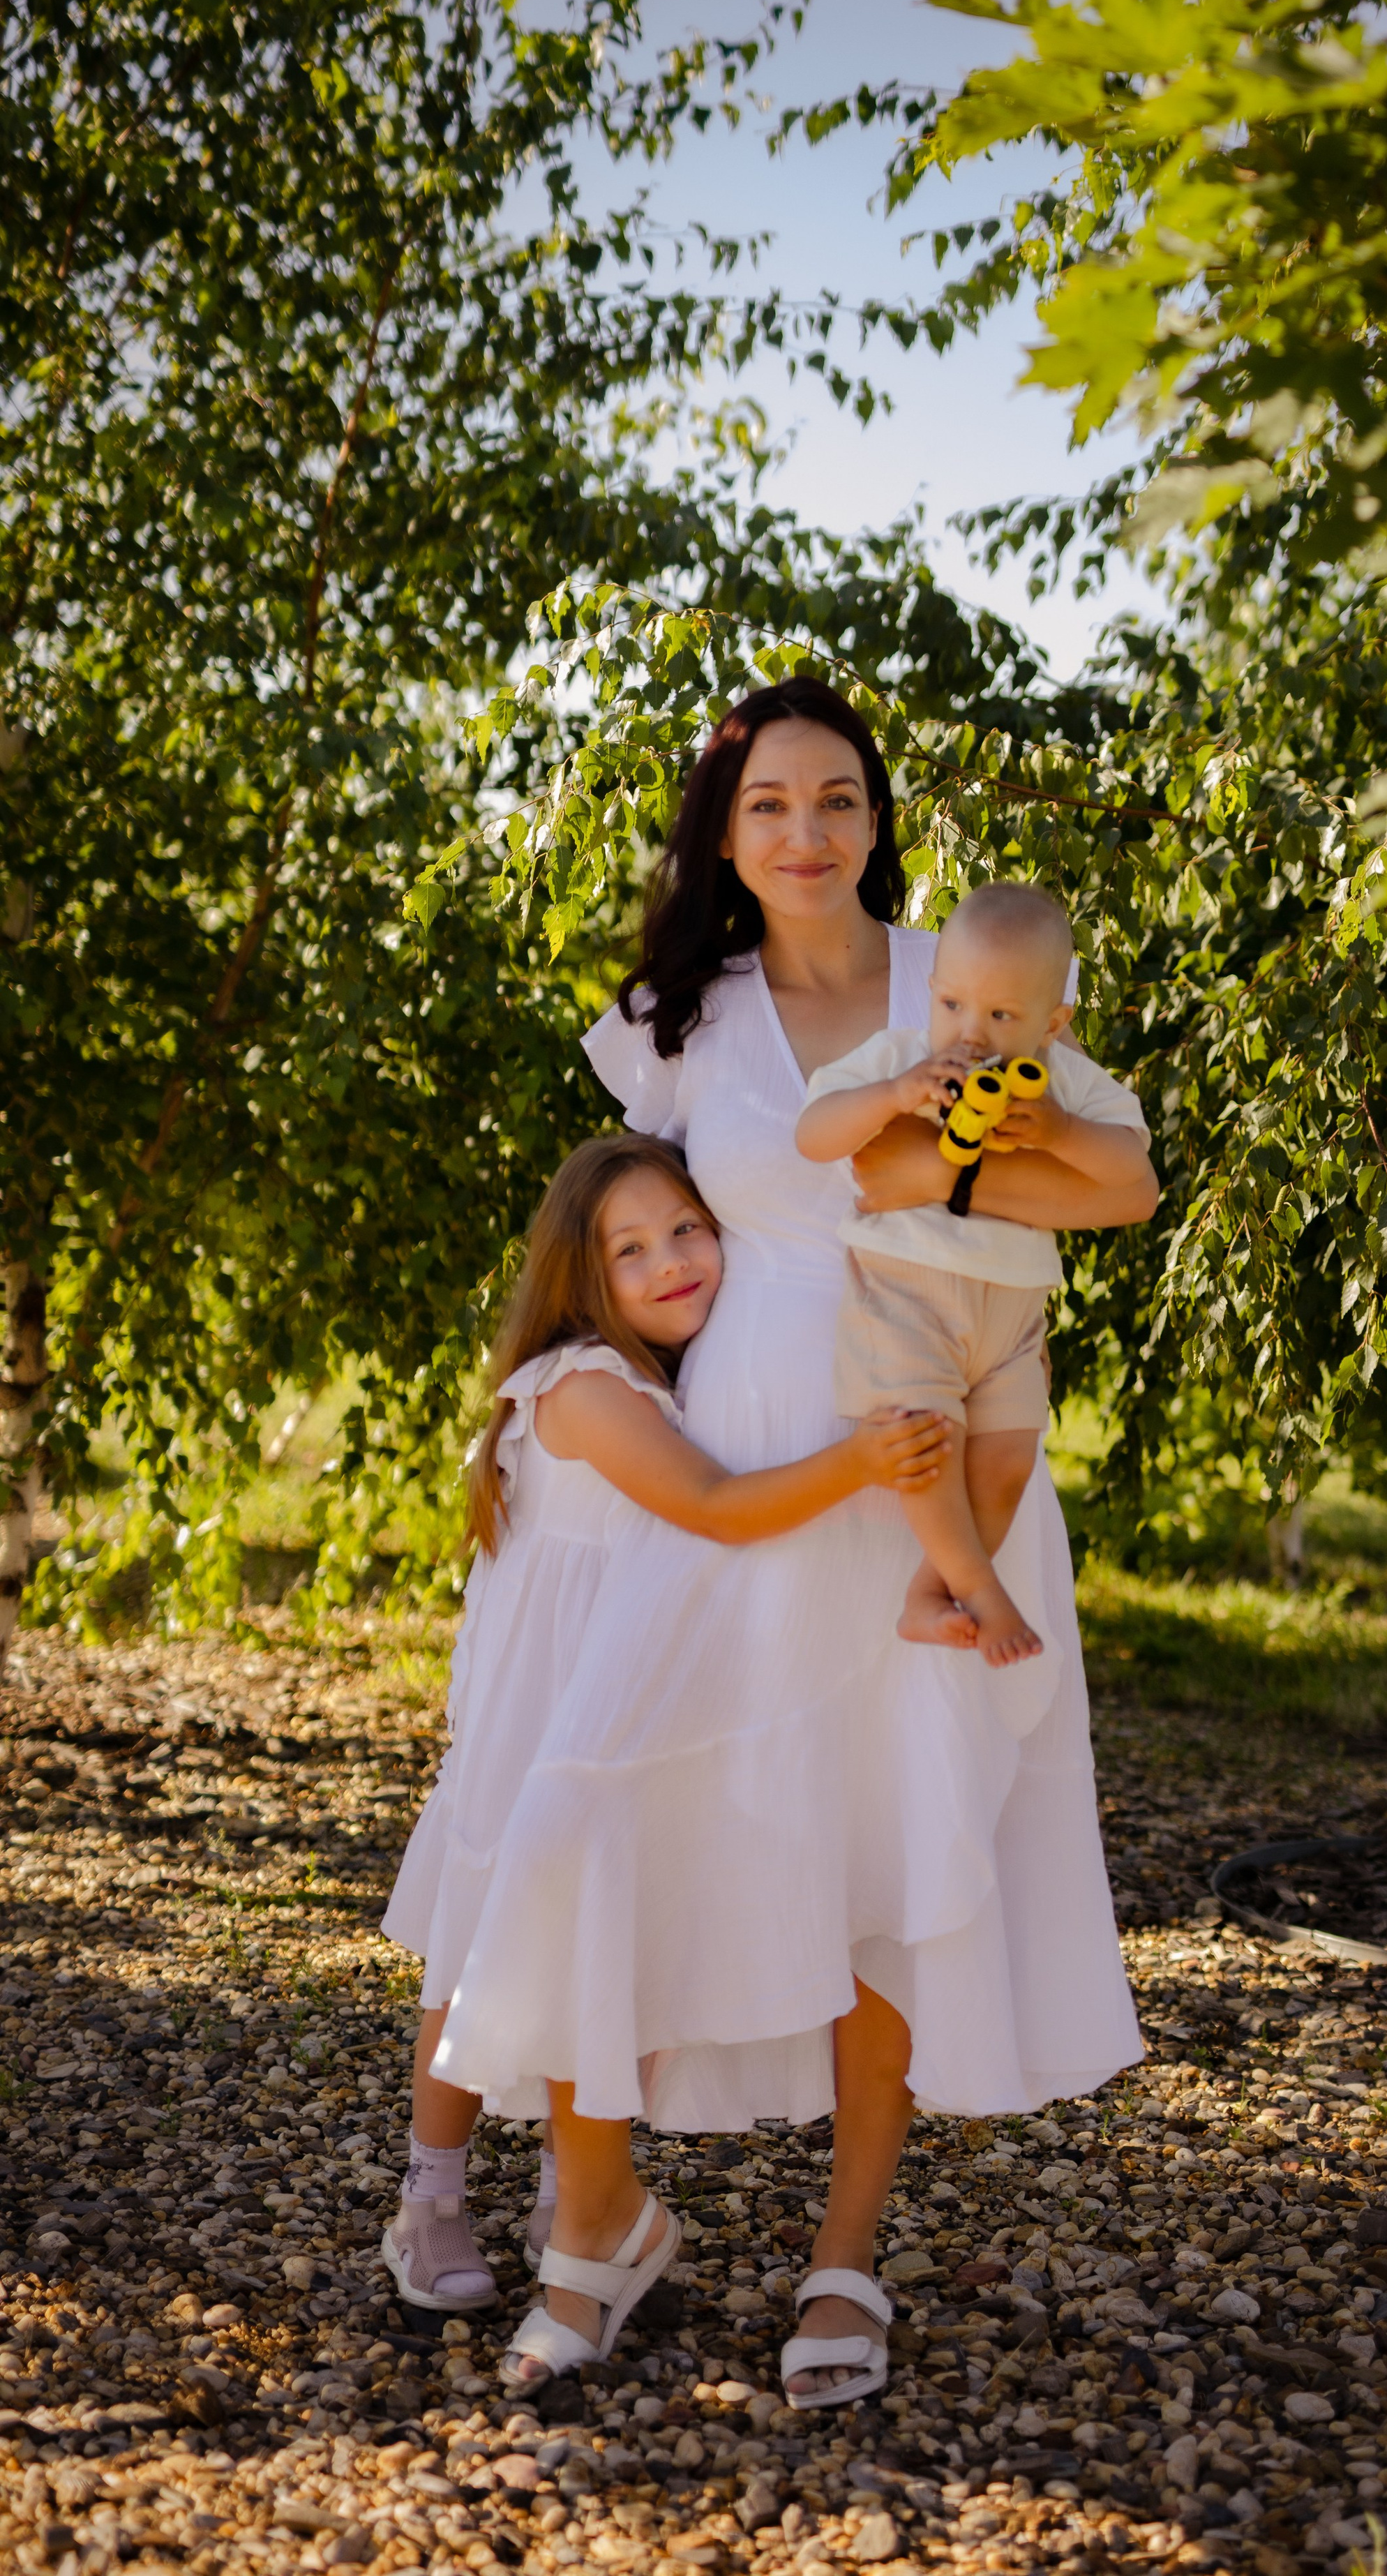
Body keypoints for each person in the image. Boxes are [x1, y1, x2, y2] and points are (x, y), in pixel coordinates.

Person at [430, 676, 1158, 2409]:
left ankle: (845, 2260)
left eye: (836, 797)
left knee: (885, 1869)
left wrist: (997, 1144)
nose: (806, 831)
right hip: (743, 1451)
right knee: (603, 1795)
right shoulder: (671, 1018)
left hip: (929, 1450)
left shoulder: (967, 975)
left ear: (875, 815)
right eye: (769, 804)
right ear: (725, 831)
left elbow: (1116, 1183)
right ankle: (594, 2221)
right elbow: (628, 1219)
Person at [380, 1130, 945, 2312]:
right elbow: (716, 1508)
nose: (672, 1260)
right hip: (547, 1715)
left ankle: (567, 2191)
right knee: (484, 1944)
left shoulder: (663, 1380)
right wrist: (860, 1462)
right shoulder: (584, 1387)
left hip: (623, 1705)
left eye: (687, 1229)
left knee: (610, 1940)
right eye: (630, 1248)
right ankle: (428, 2198)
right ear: (581, 1280)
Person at [795, 878, 1148, 1667]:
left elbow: (1130, 1171)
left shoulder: (1063, 1080)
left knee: (1007, 1460)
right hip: (903, 1293)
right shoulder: (900, 1056)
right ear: (931, 991)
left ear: (1053, 1022)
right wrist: (893, 1095)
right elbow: (815, 1134)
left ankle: (930, 1590)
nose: (971, 1033)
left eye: (1002, 1016)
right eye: (953, 1005)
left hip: (1013, 1313)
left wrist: (1057, 1132)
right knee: (925, 1442)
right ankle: (981, 1593)